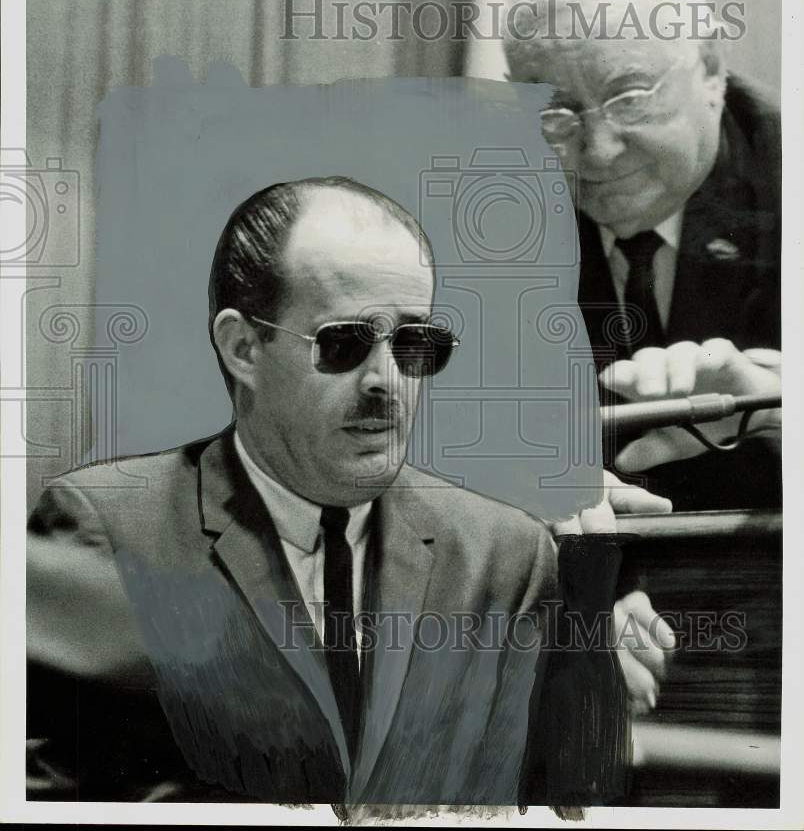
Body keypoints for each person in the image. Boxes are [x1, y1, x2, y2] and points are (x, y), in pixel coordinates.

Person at [28, 176, 638, 807]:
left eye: (413, 344)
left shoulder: (506, 556)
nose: (386, 381)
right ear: (243, 347)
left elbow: (561, 803)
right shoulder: (110, 531)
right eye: (343, 343)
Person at [502, 0, 781, 510]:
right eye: (556, 112)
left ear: (710, 68)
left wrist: (778, 414)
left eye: (628, 96)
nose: (598, 153)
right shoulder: (488, 205)